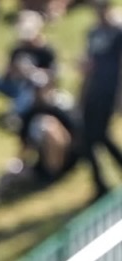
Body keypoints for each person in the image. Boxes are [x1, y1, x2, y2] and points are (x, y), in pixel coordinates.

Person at [80, 0, 122, 200]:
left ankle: (101, 185)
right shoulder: (93, 33)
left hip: (111, 89)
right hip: (94, 89)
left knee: (99, 134)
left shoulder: (118, 31)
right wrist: (83, 91)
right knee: (89, 137)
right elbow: (91, 63)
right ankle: (99, 185)